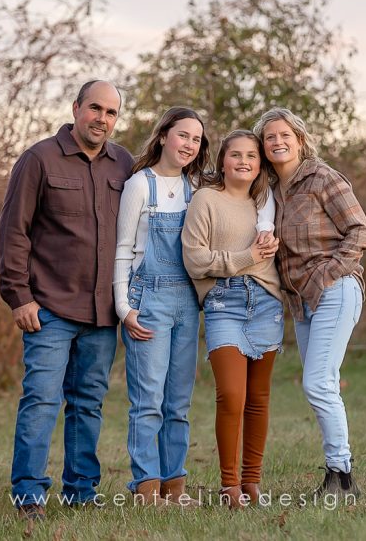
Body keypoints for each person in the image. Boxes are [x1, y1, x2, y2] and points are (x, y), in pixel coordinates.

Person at [114, 111, 275, 506]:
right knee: (148, 398)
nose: (188, 144)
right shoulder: (139, 185)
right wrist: (123, 306)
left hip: (189, 302)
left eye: (196, 139)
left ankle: (175, 487)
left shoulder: (194, 186)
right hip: (147, 299)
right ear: (164, 136)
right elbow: (122, 250)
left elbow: (254, 200)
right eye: (181, 135)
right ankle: (146, 487)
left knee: (178, 402)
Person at [0, 80, 133, 521]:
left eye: (111, 113)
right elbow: (13, 233)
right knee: (41, 399)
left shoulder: (124, 165)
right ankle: (29, 495)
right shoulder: (38, 160)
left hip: (102, 312)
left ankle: (81, 490)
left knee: (89, 402)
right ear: (76, 107)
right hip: (50, 307)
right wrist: (19, 297)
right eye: (95, 108)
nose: (102, 119)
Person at [253, 107, 366, 499]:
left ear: (300, 139)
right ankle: (337, 475)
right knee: (322, 384)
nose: (277, 142)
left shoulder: (322, 178)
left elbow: (360, 230)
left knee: (318, 383)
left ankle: (342, 477)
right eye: (270, 137)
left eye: (284, 134)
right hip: (301, 303)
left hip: (335, 289)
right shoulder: (269, 192)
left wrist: (330, 273)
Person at [182, 130, 283, 509]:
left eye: (252, 156)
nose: (243, 161)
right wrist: (246, 257)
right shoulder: (206, 200)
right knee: (231, 396)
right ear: (222, 161)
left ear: (260, 166)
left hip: (267, 303)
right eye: (235, 155)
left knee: (258, 398)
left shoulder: (266, 204)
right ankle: (230, 485)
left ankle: (252, 481)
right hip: (224, 303)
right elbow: (195, 260)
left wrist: (266, 251)